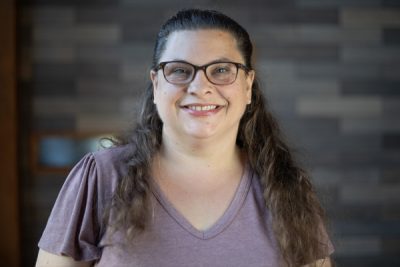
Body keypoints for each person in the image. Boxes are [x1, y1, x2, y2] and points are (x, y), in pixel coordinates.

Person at [36, 9, 334, 267]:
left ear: (247, 86)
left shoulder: (286, 188)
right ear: (156, 85)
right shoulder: (102, 178)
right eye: (179, 70)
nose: (200, 86)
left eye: (221, 70)